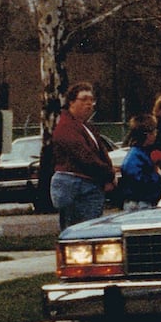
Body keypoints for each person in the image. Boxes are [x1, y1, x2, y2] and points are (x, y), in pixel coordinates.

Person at [49, 83, 114, 230]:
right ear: (71, 102)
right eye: (84, 99)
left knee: (90, 230)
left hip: (88, 185)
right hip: (77, 186)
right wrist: (109, 174)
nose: (89, 104)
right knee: (83, 232)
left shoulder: (85, 126)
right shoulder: (66, 127)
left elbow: (100, 151)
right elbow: (85, 157)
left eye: (91, 100)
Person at [117, 114, 161, 210]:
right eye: (154, 131)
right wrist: (156, 175)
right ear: (147, 135)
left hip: (144, 200)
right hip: (138, 202)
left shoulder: (143, 152)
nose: (156, 134)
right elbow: (137, 179)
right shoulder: (135, 155)